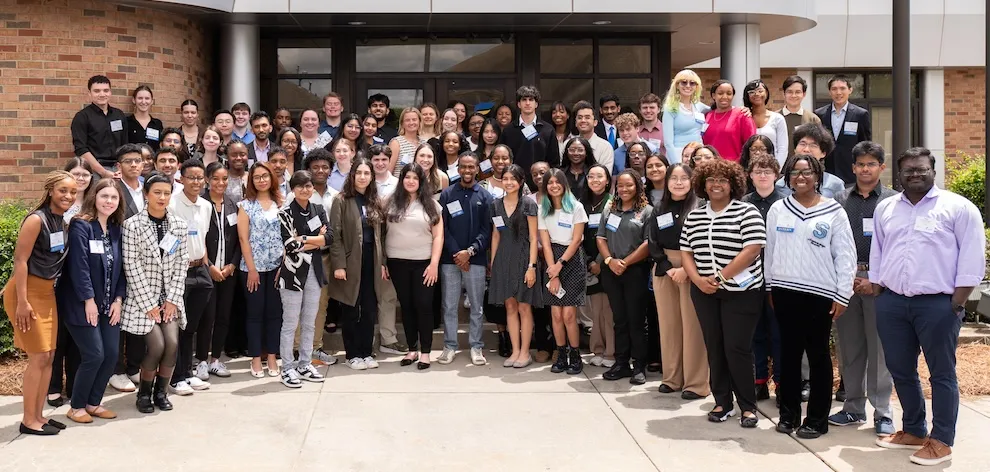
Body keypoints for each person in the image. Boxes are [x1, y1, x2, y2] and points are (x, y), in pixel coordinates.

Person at [870, 147, 985, 466]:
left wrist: (957, 302)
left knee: (941, 373)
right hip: (893, 302)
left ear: (933, 171)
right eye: (909, 170)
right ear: (899, 174)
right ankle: (914, 429)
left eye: (922, 169)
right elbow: (878, 250)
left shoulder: (958, 208)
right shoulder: (887, 208)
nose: (915, 174)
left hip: (938, 305)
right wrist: (879, 289)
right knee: (900, 369)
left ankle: (942, 440)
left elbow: (972, 257)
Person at [766, 153, 857, 439]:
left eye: (807, 172)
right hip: (784, 290)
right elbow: (770, 251)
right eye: (795, 172)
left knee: (818, 356)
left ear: (817, 176)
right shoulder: (778, 209)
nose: (801, 177)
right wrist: (769, 286)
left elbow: (845, 256)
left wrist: (843, 294)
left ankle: (817, 419)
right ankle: (788, 414)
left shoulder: (834, 211)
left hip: (820, 294)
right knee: (789, 355)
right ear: (787, 178)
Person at [679, 159, 765, 427]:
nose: (716, 185)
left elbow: (752, 249)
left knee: (737, 348)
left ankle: (748, 406)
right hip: (704, 292)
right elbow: (686, 252)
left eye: (722, 180)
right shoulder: (695, 215)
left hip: (742, 292)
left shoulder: (747, 211)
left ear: (733, 184)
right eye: (711, 180)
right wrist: (698, 281)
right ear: (702, 184)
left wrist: (719, 277)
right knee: (714, 347)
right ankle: (722, 402)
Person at [829, 141, 898, 435]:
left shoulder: (893, 201)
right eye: (860, 164)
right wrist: (843, 278)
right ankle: (853, 408)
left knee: (880, 350)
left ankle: (882, 412)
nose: (865, 169)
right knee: (850, 347)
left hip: (880, 282)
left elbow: (898, 246)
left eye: (871, 164)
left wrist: (877, 279)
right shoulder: (840, 199)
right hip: (846, 280)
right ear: (853, 167)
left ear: (882, 167)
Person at [4, 171, 77, 435]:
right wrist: (22, 302)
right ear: (50, 191)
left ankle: (39, 416)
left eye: (73, 192)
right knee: (38, 357)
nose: (68, 196)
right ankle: (28, 420)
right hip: (26, 294)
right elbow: (20, 260)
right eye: (63, 190)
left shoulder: (62, 221)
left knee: (49, 356)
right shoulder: (37, 219)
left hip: (46, 294)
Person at [57, 178, 126, 423]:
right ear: (94, 197)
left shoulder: (117, 229)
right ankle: (76, 406)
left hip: (109, 305)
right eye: (104, 196)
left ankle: (93, 403)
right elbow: (79, 267)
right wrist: (88, 300)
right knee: (94, 355)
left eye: (114, 197)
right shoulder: (81, 225)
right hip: (82, 304)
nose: (109, 201)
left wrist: (118, 300)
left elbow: (122, 269)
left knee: (111, 354)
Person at [121, 172, 188, 414]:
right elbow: (131, 266)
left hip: (169, 298)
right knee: (157, 346)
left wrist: (172, 300)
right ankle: (144, 393)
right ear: (146, 194)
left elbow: (182, 263)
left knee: (172, 343)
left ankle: (161, 392)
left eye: (166, 193)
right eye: (157, 192)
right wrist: (149, 304)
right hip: (142, 299)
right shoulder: (132, 225)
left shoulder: (179, 225)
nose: (162, 197)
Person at [648, 162, 709, 399]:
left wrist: (686, 268)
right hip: (665, 270)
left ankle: (696, 383)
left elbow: (704, 242)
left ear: (692, 181)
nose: (679, 182)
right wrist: (667, 267)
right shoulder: (659, 208)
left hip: (693, 268)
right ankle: (672, 378)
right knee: (669, 325)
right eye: (674, 178)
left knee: (693, 326)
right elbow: (652, 241)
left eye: (684, 178)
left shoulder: (700, 207)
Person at [741, 154, 789, 403]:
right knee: (755, 332)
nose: (762, 175)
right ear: (750, 175)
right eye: (758, 171)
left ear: (776, 175)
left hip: (778, 276)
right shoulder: (743, 204)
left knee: (779, 333)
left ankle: (781, 383)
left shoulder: (786, 203)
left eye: (767, 171)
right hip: (749, 276)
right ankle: (759, 381)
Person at [596, 169, 652, 385]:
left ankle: (639, 365)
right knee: (619, 319)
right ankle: (621, 363)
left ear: (638, 186)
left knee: (636, 319)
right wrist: (610, 260)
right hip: (611, 270)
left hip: (635, 271)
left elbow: (647, 244)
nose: (624, 189)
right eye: (620, 185)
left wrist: (625, 262)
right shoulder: (610, 209)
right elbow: (601, 238)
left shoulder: (646, 211)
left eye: (629, 185)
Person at [328, 158, 385, 370]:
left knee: (369, 309)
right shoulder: (341, 200)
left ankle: (366, 352)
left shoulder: (375, 200)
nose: (362, 177)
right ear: (352, 175)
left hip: (372, 260)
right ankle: (352, 354)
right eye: (358, 173)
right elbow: (335, 235)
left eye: (366, 173)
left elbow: (382, 234)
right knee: (351, 308)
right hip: (351, 261)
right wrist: (339, 265)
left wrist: (383, 262)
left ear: (372, 177)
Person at [386, 163, 444, 369]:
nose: (410, 181)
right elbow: (381, 233)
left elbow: (438, 237)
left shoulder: (432, 205)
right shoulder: (390, 202)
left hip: (423, 263)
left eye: (415, 178)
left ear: (421, 181)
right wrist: (383, 262)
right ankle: (412, 349)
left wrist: (434, 264)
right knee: (407, 306)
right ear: (402, 179)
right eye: (407, 177)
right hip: (396, 262)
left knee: (424, 305)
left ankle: (425, 352)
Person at [437, 154, 493, 366]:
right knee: (449, 305)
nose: (467, 170)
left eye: (471, 167)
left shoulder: (485, 196)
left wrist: (469, 252)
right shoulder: (447, 194)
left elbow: (487, 230)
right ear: (458, 169)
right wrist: (457, 253)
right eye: (463, 167)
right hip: (450, 259)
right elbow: (443, 227)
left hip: (475, 260)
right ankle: (449, 346)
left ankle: (476, 346)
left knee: (477, 306)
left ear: (477, 168)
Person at [276, 170, 330, 387]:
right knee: (290, 323)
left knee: (309, 322)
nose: (305, 190)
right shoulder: (285, 213)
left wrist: (305, 238)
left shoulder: (318, 209)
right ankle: (287, 368)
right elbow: (289, 245)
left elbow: (330, 238)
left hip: (314, 272)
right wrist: (317, 240)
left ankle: (305, 364)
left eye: (308, 186)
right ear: (293, 189)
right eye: (300, 186)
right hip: (292, 273)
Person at [167, 159, 215, 395]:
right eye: (191, 178)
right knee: (177, 327)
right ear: (181, 179)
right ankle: (175, 378)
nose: (196, 182)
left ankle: (187, 373)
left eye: (199, 178)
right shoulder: (172, 203)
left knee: (190, 327)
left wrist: (204, 263)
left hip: (200, 270)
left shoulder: (206, 206)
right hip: (179, 272)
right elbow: (167, 239)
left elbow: (202, 238)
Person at [47, 159, 91, 406]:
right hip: (58, 280)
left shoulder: (94, 205)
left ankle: (74, 384)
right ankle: (54, 386)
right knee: (58, 337)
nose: (81, 178)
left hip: (83, 281)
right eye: (76, 174)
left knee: (78, 338)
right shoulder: (59, 206)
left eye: (85, 174)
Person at [490, 164, 541, 368]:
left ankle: (525, 352)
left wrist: (532, 266)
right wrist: (493, 263)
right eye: (505, 178)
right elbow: (496, 235)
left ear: (521, 182)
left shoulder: (528, 203)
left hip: (523, 259)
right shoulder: (495, 204)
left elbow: (534, 237)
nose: (509, 182)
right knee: (510, 306)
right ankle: (515, 350)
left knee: (524, 306)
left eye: (513, 179)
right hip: (503, 259)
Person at [236, 162, 285, 378]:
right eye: (257, 177)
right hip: (252, 269)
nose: (261, 180)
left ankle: (272, 356)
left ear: (271, 177)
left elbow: (288, 235)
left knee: (275, 313)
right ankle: (256, 357)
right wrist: (252, 269)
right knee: (255, 314)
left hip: (277, 268)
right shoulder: (246, 205)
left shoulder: (281, 203)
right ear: (251, 181)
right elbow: (243, 239)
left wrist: (284, 266)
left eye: (265, 176)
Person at [538, 169, 588, 374]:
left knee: (568, 314)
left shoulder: (576, 207)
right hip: (552, 259)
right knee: (556, 314)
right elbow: (545, 244)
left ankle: (575, 355)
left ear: (564, 184)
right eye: (549, 183)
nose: (554, 186)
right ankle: (561, 355)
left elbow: (576, 240)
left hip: (572, 259)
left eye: (557, 182)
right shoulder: (543, 210)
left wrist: (560, 265)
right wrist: (554, 272)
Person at [299, 149, 340, 365]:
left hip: (326, 257)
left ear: (331, 170)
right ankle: (297, 348)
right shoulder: (299, 193)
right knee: (300, 304)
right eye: (315, 167)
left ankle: (315, 347)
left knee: (321, 304)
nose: (320, 171)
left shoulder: (336, 195)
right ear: (308, 169)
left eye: (325, 167)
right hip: (302, 256)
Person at [202, 162, 240, 378]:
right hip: (206, 271)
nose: (220, 183)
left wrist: (232, 264)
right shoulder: (201, 203)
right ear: (207, 180)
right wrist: (209, 266)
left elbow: (240, 239)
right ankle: (201, 360)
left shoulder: (233, 204)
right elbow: (196, 238)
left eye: (224, 179)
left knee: (224, 316)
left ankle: (216, 359)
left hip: (228, 272)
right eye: (215, 178)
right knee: (207, 317)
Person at [580, 164, 615, 368]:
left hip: (608, 263)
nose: (595, 180)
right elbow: (578, 236)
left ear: (607, 180)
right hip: (589, 264)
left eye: (599, 176)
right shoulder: (582, 203)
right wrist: (589, 261)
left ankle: (611, 352)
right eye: (591, 176)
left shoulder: (613, 203)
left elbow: (611, 235)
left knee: (609, 311)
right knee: (596, 310)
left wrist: (601, 261)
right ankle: (598, 349)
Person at [814, 75, 872, 184]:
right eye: (834, 89)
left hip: (850, 172)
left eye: (842, 88)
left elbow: (865, 144)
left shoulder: (860, 114)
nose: (838, 92)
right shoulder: (819, 114)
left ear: (850, 90)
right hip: (826, 171)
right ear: (829, 92)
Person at [71, 75, 127, 179]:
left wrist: (122, 168)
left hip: (119, 169)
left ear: (110, 92)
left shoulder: (119, 115)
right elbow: (81, 149)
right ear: (89, 93)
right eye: (97, 91)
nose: (102, 94)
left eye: (106, 90)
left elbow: (125, 145)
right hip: (94, 170)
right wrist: (103, 172)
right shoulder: (82, 117)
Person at [499, 86, 559, 179]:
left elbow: (554, 162)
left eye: (531, 100)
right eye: (524, 100)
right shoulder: (508, 130)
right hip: (515, 181)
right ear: (519, 104)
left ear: (536, 104)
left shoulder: (548, 130)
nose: (527, 103)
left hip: (541, 181)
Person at [775, 124, 846, 198]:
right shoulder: (781, 185)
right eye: (802, 144)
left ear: (823, 153)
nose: (806, 149)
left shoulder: (835, 184)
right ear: (795, 149)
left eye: (813, 145)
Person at [662, 70, 709, 162]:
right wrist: (676, 164)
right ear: (677, 85)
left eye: (692, 83)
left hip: (698, 155)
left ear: (696, 87)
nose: (688, 86)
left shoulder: (699, 106)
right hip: (678, 155)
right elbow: (668, 143)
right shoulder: (670, 109)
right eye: (684, 82)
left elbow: (718, 109)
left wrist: (738, 109)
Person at [703, 80, 756, 162]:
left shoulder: (742, 115)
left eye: (729, 93)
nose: (725, 97)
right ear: (713, 95)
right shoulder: (707, 116)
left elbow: (751, 144)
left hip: (734, 167)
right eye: (720, 93)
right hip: (710, 166)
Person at [742, 80, 788, 166]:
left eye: (760, 91)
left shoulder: (778, 118)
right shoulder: (744, 117)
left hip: (772, 167)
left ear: (766, 93)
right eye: (752, 92)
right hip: (749, 168)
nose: (756, 94)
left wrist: (775, 169)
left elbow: (783, 148)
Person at [778, 76, 822, 159]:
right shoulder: (775, 117)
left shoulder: (813, 119)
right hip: (779, 166)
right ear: (784, 94)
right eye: (790, 92)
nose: (793, 95)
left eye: (798, 92)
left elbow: (819, 146)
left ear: (804, 94)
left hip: (805, 165)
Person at [572, 101, 614, 174]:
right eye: (580, 118)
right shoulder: (568, 145)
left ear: (595, 122)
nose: (583, 120)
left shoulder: (605, 147)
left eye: (587, 117)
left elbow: (605, 176)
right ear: (575, 123)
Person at [388, 107, 425, 177]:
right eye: (407, 120)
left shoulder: (424, 143)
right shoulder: (396, 143)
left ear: (419, 121)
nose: (411, 123)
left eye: (414, 119)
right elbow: (388, 171)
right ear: (402, 123)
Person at [126, 85, 164, 152]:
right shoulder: (127, 122)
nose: (143, 102)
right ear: (134, 100)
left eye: (147, 98)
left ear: (152, 101)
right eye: (140, 98)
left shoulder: (157, 124)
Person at [560, 136, 595, 201]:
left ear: (586, 152)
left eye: (580, 150)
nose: (576, 153)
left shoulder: (593, 172)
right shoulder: (560, 173)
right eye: (572, 150)